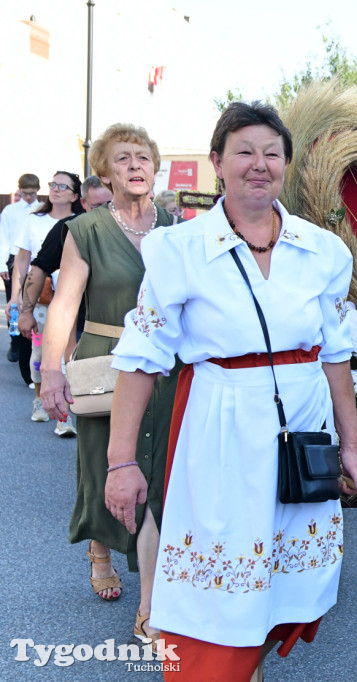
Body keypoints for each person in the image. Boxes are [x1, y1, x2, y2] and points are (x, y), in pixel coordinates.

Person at [105, 101, 357, 679]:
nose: (259, 164)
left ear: (286, 166)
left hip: (304, 433)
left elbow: (336, 355)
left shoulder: (324, 251)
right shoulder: (178, 250)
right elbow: (141, 358)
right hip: (221, 432)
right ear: (217, 163)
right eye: (244, 151)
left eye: (272, 153)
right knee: (219, 596)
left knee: (282, 589)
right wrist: (120, 461)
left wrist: (350, 444)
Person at [39, 125, 179, 642]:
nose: (136, 165)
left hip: (166, 363)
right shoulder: (88, 230)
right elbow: (65, 303)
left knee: (160, 470)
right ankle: (101, 546)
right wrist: (51, 369)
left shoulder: (177, 225)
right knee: (106, 463)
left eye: (144, 156)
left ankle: (153, 598)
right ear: (104, 171)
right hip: (107, 361)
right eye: (123, 158)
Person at [20, 175, 112, 435]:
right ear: (83, 203)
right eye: (97, 207)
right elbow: (38, 268)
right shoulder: (70, 228)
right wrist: (26, 311)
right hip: (77, 322)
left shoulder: (128, 227)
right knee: (73, 377)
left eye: (110, 204)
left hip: (119, 325)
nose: (105, 212)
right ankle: (65, 419)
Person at [10, 171, 84, 433]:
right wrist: (16, 300)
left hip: (76, 298)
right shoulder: (34, 221)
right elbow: (23, 262)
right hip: (42, 300)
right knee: (40, 353)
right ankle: (40, 400)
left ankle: (65, 416)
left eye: (62, 186)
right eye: (53, 184)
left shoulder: (83, 222)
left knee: (70, 355)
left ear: (75, 195)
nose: (55, 189)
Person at [2, 174, 40, 364]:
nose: (28, 197)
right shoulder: (10, 211)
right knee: (14, 302)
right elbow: (3, 237)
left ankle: (33, 340)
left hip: (35, 258)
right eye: (25, 193)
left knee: (33, 300)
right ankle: (15, 341)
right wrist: (2, 264)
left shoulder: (41, 210)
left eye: (32, 194)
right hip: (13, 257)